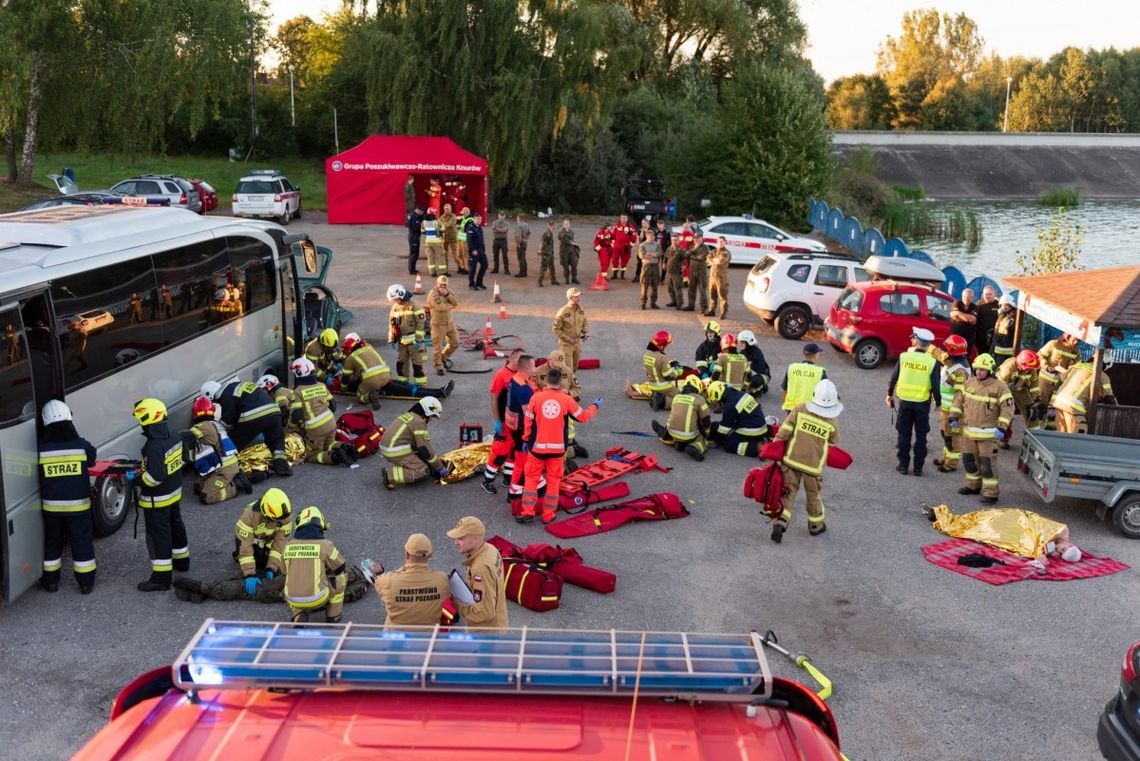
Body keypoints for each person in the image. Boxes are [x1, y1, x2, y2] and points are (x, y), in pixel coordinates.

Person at [520, 368, 600, 523]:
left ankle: (527, 513)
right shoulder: (566, 400)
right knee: (553, 482)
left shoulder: (536, 398)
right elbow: (582, 417)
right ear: (561, 382)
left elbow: (528, 421)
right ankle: (548, 515)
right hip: (557, 450)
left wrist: (525, 439)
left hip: (536, 448)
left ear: (547, 381)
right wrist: (595, 406)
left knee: (531, 480)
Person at [37, 400, 97, 594]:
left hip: (51, 509)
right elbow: (92, 459)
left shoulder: (40, 449)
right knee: (81, 542)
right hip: (78, 507)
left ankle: (51, 582)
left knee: (52, 543)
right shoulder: (81, 445)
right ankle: (86, 583)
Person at [771, 379, 842, 543]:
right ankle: (815, 526)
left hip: (792, 460)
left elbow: (784, 431)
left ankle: (780, 523)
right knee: (813, 496)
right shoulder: (832, 421)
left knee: (787, 493)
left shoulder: (800, 408)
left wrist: (774, 449)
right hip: (813, 466)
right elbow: (834, 441)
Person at [132, 398, 190, 591]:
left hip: (156, 501)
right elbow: (183, 459)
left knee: (159, 537)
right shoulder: (174, 434)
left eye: (141, 420)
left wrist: (136, 478)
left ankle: (161, 579)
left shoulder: (153, 446)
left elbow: (154, 478)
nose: (140, 424)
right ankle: (182, 562)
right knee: (176, 525)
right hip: (174, 494)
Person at [950, 353, 1014, 504]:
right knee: (969, 461)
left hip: (988, 435)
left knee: (987, 466)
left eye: (983, 370)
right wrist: (953, 416)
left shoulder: (1000, 387)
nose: (979, 372)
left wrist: (1002, 427)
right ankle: (972, 486)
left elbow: (1008, 409)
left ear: (990, 371)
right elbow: (959, 400)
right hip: (969, 433)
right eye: (977, 369)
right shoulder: (969, 383)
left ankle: (991, 493)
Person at [201, 378, 293, 477]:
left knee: (232, 442)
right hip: (274, 413)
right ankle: (282, 467)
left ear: (210, 395)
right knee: (276, 440)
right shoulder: (237, 385)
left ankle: (223, 469)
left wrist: (217, 429)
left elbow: (228, 420)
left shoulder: (226, 395)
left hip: (254, 416)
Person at [341, 332, 452, 408]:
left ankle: (371, 396)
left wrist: (342, 387)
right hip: (385, 375)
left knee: (361, 397)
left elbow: (345, 381)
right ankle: (438, 391)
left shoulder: (350, 358)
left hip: (371, 381)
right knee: (404, 387)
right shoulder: (368, 347)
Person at [886, 327, 940, 477]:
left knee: (904, 435)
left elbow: (893, 378)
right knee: (921, 436)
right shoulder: (932, 362)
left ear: (916, 341)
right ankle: (918, 468)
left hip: (905, 402)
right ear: (928, 345)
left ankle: (903, 466)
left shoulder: (904, 357)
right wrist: (939, 404)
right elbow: (936, 385)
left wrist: (889, 395)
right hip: (922, 403)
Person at [174, 564, 369, 605]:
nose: (374, 564)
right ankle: (204, 593)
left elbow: (341, 596)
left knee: (247, 590)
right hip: (293, 576)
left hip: (290, 589)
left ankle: (204, 588)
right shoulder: (349, 566)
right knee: (254, 576)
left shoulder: (360, 584)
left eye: (377, 567)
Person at [369, 533, 451, 627]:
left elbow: (378, 582)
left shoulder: (387, 581)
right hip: (429, 636)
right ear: (430, 555)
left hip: (397, 637)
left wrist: (380, 573)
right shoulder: (442, 579)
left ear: (407, 554)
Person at [283, 506, 346, 623]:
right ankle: (334, 615)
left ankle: (298, 613)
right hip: (318, 598)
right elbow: (340, 566)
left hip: (291, 599)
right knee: (342, 577)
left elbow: (284, 570)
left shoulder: (287, 546)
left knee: (291, 578)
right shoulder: (325, 545)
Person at [290, 357, 356, 466]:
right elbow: (333, 406)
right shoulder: (322, 385)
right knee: (329, 444)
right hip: (331, 423)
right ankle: (345, 447)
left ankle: (335, 457)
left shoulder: (297, 392)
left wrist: (291, 427)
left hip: (315, 429)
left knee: (312, 455)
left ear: (298, 373)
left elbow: (297, 415)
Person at [447, 516, 507, 631]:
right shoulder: (490, 549)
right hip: (498, 623)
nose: (456, 542)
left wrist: (458, 605)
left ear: (475, 539)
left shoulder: (481, 569)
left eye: (460, 538)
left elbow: (484, 614)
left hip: (486, 635)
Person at [187, 395, 250, 503]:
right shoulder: (216, 424)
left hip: (224, 469)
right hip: (222, 465)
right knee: (198, 487)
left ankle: (236, 486)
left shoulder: (202, 426)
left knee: (206, 496)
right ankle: (230, 478)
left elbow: (186, 435)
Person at [380, 396, 448, 490]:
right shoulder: (418, 422)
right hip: (393, 451)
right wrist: (439, 467)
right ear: (428, 412)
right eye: (432, 416)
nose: (431, 420)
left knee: (420, 455)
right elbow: (424, 449)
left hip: (388, 446)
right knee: (423, 471)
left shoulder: (411, 416)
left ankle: (405, 466)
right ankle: (390, 475)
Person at [234, 487, 292, 592]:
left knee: (284, 561)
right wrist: (249, 574)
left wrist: (272, 567)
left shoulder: (284, 516)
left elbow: (280, 543)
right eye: (275, 519)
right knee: (256, 561)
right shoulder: (249, 516)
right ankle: (241, 557)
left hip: (270, 543)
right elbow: (245, 545)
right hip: (252, 543)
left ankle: (267, 564)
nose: (279, 521)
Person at [483, 348, 524, 492]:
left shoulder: (521, 374)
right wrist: (497, 421)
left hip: (517, 423)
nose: (521, 363)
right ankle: (487, 480)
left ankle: (508, 477)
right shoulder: (501, 375)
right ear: (512, 359)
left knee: (513, 452)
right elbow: (494, 398)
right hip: (505, 422)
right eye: (519, 360)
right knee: (500, 452)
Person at [930, 335, 972, 473]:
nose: (944, 352)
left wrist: (954, 414)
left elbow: (960, 395)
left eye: (947, 349)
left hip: (955, 412)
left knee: (953, 438)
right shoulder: (953, 361)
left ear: (953, 351)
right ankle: (946, 458)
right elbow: (941, 356)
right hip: (945, 408)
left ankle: (951, 464)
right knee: (945, 434)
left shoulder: (960, 371)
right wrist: (927, 346)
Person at [499, 354, 537, 500]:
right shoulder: (523, 389)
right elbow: (528, 415)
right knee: (522, 463)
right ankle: (514, 493)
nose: (535, 369)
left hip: (513, 427)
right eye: (533, 366)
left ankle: (517, 488)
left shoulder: (514, 379)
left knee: (519, 459)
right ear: (527, 368)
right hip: (521, 431)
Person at [651, 376, 710, 461]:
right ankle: (694, 447)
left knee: (676, 417)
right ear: (698, 388)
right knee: (702, 439)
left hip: (672, 431)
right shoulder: (700, 399)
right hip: (689, 435)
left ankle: (667, 434)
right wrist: (706, 434)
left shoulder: (676, 397)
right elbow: (706, 420)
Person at [1051, 358, 1117, 434]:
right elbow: (1109, 399)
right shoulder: (1101, 375)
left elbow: (1059, 381)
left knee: (1060, 435)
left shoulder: (1075, 367)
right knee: (1078, 436)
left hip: (1058, 403)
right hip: (1073, 407)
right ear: (1106, 365)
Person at [708, 380, 770, 456]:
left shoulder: (730, 406)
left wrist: (717, 441)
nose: (718, 405)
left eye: (716, 402)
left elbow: (724, 429)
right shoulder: (740, 394)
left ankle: (756, 447)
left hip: (753, 430)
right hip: (760, 426)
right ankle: (758, 439)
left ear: (718, 396)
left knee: (729, 444)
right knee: (719, 426)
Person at [997, 349, 1044, 447]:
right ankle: (1003, 439)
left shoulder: (1031, 368)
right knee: (1008, 414)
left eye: (1032, 368)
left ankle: (1035, 440)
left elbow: (1034, 383)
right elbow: (1000, 385)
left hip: (1021, 389)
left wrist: (1036, 397)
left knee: (1031, 410)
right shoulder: (1009, 366)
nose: (1030, 370)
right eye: (1029, 368)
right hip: (1005, 390)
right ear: (1022, 364)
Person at [387, 283, 428, 387]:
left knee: (417, 364)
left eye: (396, 299)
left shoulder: (414, 305)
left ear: (401, 295)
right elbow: (392, 324)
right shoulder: (395, 307)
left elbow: (420, 323)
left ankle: (421, 384)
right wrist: (392, 339)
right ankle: (403, 382)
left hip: (414, 341)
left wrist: (418, 340)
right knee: (401, 363)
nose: (395, 301)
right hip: (402, 342)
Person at [1037, 333, 1081, 412]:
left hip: (1061, 382)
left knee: (1054, 406)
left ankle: (1050, 424)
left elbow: (1077, 366)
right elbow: (1040, 355)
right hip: (1046, 379)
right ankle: (1039, 422)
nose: (1076, 342)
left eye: (1078, 340)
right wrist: (1046, 366)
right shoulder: (1054, 344)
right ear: (1067, 338)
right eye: (1074, 340)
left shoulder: (1077, 351)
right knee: (1042, 403)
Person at [427, 275, 460, 376]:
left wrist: (448, 295)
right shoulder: (433, 294)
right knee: (437, 347)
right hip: (438, 325)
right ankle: (439, 367)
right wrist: (451, 305)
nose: (443, 286)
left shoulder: (448, 292)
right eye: (441, 284)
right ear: (437, 283)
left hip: (449, 323)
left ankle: (443, 357)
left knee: (455, 343)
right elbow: (440, 308)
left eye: (445, 285)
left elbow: (456, 302)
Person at [643, 329, 682, 411]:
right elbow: (668, 376)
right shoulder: (662, 358)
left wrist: (669, 365)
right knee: (681, 399)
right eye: (666, 344)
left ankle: (658, 396)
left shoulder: (647, 355)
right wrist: (678, 371)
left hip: (652, 385)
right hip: (663, 386)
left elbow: (656, 367)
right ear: (662, 345)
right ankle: (661, 401)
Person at [781, 343, 827, 412]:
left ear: (803, 355)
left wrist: (787, 405)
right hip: (809, 411)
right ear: (816, 355)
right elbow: (827, 393)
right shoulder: (819, 372)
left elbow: (784, 390)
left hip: (792, 409)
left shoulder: (792, 368)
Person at [552, 287, 588, 371]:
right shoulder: (562, 312)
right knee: (568, 369)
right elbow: (556, 329)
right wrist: (568, 339)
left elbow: (584, 322)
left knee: (575, 367)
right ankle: (566, 383)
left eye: (579, 296)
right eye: (576, 297)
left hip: (577, 343)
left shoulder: (581, 310)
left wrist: (584, 332)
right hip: (566, 345)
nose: (579, 298)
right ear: (570, 298)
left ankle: (569, 382)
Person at [736, 330, 771, 396]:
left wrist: (746, 374)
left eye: (743, 342)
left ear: (749, 342)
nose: (740, 344)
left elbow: (760, 369)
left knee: (754, 387)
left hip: (762, 374)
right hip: (750, 373)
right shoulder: (742, 352)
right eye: (740, 342)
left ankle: (761, 387)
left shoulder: (757, 353)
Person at [706, 236, 731, 319]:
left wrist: (713, 260)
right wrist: (713, 260)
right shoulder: (714, 251)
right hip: (712, 277)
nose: (720, 243)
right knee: (712, 294)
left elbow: (720, 261)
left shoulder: (726, 253)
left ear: (725, 243)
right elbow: (707, 260)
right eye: (718, 241)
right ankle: (711, 310)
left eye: (722, 241)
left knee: (722, 296)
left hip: (721, 278)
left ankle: (723, 313)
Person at [637, 229, 663, 309]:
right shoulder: (642, 245)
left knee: (655, 285)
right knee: (644, 285)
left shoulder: (657, 244)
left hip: (655, 266)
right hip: (646, 267)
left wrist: (650, 254)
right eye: (650, 236)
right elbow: (642, 255)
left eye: (653, 236)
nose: (652, 237)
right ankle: (643, 303)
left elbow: (660, 253)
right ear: (646, 236)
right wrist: (653, 254)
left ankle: (653, 303)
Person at [950, 288, 978, 356]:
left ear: (972, 297)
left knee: (966, 357)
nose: (966, 299)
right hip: (956, 337)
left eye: (969, 297)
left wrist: (959, 313)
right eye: (964, 296)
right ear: (962, 296)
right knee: (952, 356)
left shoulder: (975, 307)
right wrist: (968, 318)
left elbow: (972, 319)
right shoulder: (956, 303)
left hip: (968, 339)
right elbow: (953, 316)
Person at [465, 212, 489, 290]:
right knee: (473, 268)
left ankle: (479, 282)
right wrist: (472, 250)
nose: (479, 220)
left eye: (480, 219)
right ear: (474, 219)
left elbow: (481, 240)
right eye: (477, 219)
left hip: (481, 251)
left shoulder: (480, 228)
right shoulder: (470, 227)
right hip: (473, 251)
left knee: (485, 265)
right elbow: (469, 240)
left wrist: (483, 249)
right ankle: (471, 284)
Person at [685, 238, 709, 313]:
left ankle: (704, 307)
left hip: (701, 272)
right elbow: (686, 255)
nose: (696, 240)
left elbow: (701, 258)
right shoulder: (692, 246)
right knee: (691, 289)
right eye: (695, 239)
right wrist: (694, 249)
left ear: (701, 239)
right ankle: (691, 305)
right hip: (692, 271)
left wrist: (692, 256)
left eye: (698, 239)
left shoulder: (705, 247)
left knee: (702, 290)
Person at [439, 203, 464, 274]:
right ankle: (445, 268)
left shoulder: (453, 216)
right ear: (444, 209)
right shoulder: (441, 216)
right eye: (445, 208)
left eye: (448, 208)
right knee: (444, 254)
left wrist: (442, 225)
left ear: (451, 209)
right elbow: (439, 223)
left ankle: (461, 267)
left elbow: (449, 224)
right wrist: (442, 225)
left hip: (453, 237)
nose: (446, 209)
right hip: (444, 238)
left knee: (456, 253)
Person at [974, 285, 1000, 354]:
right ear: (983, 294)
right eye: (986, 294)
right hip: (981, 336)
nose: (988, 296)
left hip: (994, 336)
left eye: (990, 294)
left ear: (994, 295)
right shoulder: (978, 304)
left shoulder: (998, 304)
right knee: (981, 354)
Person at [422, 209, 448, 277]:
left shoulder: (424, 222)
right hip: (437, 242)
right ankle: (443, 272)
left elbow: (422, 231)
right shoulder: (437, 222)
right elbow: (443, 228)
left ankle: (432, 272)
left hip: (428, 242)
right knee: (441, 256)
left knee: (430, 257)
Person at [991, 294, 1016, 361]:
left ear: (1011, 306)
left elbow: (1009, 327)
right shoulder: (1002, 315)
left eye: (1006, 305)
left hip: (1005, 353)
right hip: (996, 349)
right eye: (1002, 305)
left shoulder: (1014, 316)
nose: (1004, 307)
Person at [611, 213, 636, 280]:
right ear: (620, 218)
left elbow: (634, 237)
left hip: (626, 247)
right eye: (622, 218)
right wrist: (613, 244)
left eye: (625, 218)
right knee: (614, 260)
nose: (623, 219)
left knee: (625, 260)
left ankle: (622, 274)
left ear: (627, 218)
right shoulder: (616, 226)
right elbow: (612, 235)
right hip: (617, 246)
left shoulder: (631, 227)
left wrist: (630, 245)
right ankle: (615, 274)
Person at [663, 239, 685, 309]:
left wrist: (685, 266)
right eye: (672, 240)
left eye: (676, 240)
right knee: (670, 288)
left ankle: (680, 303)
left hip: (677, 272)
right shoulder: (669, 248)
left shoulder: (681, 250)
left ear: (678, 241)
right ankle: (674, 301)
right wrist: (664, 263)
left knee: (677, 288)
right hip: (670, 271)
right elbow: (666, 256)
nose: (674, 242)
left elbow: (686, 258)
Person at [537, 218, 558, 287]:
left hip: (550, 253)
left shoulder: (550, 232)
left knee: (552, 267)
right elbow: (542, 242)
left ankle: (553, 280)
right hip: (546, 253)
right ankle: (539, 282)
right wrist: (540, 251)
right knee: (543, 268)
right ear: (553, 225)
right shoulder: (547, 233)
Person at [557, 218, 579, 285]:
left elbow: (571, 238)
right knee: (565, 266)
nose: (567, 225)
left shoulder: (571, 231)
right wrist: (573, 243)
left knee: (574, 265)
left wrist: (574, 243)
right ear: (563, 225)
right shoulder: (561, 232)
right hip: (564, 252)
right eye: (565, 224)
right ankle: (567, 279)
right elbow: (565, 240)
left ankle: (574, 278)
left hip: (572, 251)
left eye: (568, 224)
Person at [405, 204, 425, 275]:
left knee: (414, 253)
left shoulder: (414, 215)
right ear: (418, 210)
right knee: (414, 253)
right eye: (422, 211)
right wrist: (423, 229)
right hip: (414, 237)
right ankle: (412, 270)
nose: (422, 212)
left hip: (413, 236)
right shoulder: (414, 217)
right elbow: (416, 228)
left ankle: (412, 268)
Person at [490, 211, 511, 275]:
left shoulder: (506, 223)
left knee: (505, 255)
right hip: (496, 240)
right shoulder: (494, 222)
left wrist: (496, 228)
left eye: (503, 215)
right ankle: (495, 269)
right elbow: (494, 231)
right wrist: (501, 230)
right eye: (500, 215)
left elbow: (504, 230)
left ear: (504, 216)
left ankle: (506, 270)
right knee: (495, 255)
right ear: (498, 215)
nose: (501, 217)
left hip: (503, 241)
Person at [456, 206, 473, 274]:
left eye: (463, 213)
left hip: (465, 240)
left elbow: (467, 229)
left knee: (465, 255)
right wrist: (458, 221)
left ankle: (467, 269)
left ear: (467, 212)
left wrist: (459, 227)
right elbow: (457, 223)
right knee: (459, 254)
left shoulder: (470, 220)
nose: (462, 214)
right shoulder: (463, 218)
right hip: (460, 239)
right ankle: (462, 267)